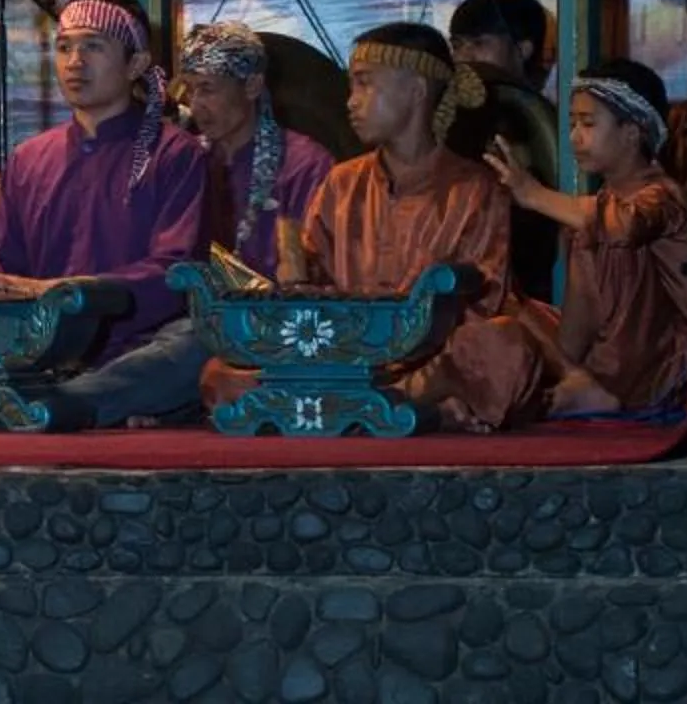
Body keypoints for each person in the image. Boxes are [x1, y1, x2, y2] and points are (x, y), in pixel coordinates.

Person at [206, 21, 542, 432]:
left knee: (502, 345)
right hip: (342, 362)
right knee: (217, 371)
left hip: (428, 363)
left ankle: (358, 406)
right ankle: (402, 409)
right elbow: (312, 290)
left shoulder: (475, 188)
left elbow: (483, 302)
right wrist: (293, 276)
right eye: (351, 86)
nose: (351, 101)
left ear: (417, 90)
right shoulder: (342, 182)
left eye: (365, 85)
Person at [54, 21, 335, 427]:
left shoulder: (305, 164)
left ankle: (71, 403)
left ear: (253, 86)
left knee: (193, 341)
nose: (194, 104)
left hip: (270, 330)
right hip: (184, 322)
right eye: (187, 89)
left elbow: (320, 276)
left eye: (208, 89)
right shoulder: (180, 157)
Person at [0, 0, 208, 363]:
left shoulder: (175, 153)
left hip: (137, 349)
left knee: (193, 344)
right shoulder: (30, 158)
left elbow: (175, 273)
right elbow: (5, 264)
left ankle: (73, 400)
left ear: (136, 64)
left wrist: (82, 295)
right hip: (41, 346)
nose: (75, 62)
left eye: (94, 47)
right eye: (64, 47)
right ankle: (74, 399)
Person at [484, 58, 687, 416]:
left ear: (632, 132)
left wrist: (534, 195)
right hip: (600, 356)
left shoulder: (663, 197)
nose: (574, 137)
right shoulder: (599, 206)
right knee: (506, 305)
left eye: (587, 123)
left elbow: (623, 227)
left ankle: (602, 388)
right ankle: (579, 379)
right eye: (571, 124)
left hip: (662, 363)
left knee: (609, 234)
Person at [448, 0, 562, 301]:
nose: (465, 57)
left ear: (523, 49)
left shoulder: (553, 123)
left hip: (532, 276)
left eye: (480, 44)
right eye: (457, 46)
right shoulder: (446, 117)